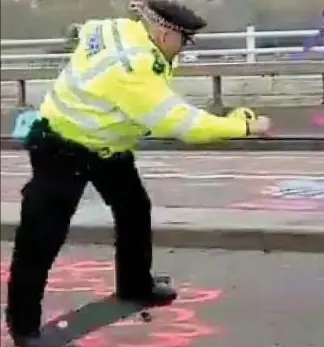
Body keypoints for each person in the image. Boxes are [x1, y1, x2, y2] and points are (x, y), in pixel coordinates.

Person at [6, 1, 271, 346]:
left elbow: (82, 30)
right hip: (62, 148)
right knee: (41, 237)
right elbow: (186, 125)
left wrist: (76, 36)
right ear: (163, 33)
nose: (185, 49)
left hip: (107, 146)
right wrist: (247, 127)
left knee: (133, 209)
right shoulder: (132, 70)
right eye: (184, 41)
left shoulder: (118, 27)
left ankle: (135, 285)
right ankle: (24, 329)